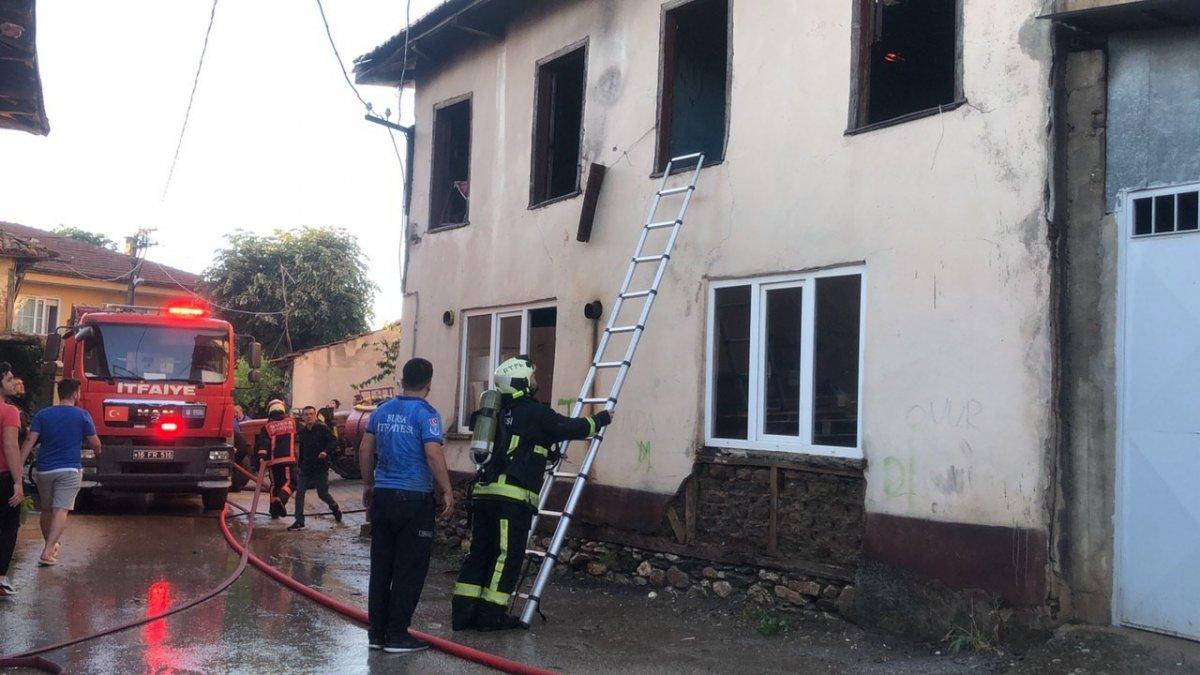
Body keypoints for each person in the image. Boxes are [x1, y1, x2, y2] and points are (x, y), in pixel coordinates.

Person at [451, 355, 613, 632]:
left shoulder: (494, 412)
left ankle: (464, 615)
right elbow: (570, 428)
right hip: (512, 499)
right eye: (532, 377)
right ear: (522, 382)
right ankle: (491, 616)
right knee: (507, 555)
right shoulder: (534, 412)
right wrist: (601, 419)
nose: (536, 382)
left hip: (484, 493)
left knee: (480, 552)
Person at [359, 358, 453, 654]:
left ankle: (377, 633)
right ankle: (397, 635)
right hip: (414, 499)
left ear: (403, 379)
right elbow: (433, 453)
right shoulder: (427, 414)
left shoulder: (382, 410)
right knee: (409, 568)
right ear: (429, 382)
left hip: (384, 497)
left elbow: (365, 449)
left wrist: (367, 485)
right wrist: (447, 490)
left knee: (382, 566)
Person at [20, 379, 101, 567]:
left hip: (45, 470)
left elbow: (30, 441)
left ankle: (50, 544)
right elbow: (95, 442)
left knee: (46, 510)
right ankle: (48, 551)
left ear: (59, 393)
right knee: (61, 509)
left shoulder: (43, 414)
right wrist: (98, 453)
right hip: (69, 469)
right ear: (75, 394)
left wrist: (19, 465)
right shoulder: (83, 415)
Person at [288, 405, 342, 531]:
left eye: (311, 414)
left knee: (322, 493)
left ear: (315, 415)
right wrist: (299, 465)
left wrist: (325, 452)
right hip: (306, 467)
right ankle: (299, 520)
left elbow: (334, 441)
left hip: (320, 467)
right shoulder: (302, 432)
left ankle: (334, 506)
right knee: (299, 493)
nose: (308, 416)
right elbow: (301, 449)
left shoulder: (322, 429)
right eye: (306, 414)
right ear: (303, 417)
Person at [0, 364, 25, 595]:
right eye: (8, 379)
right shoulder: (9, 411)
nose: (12, 383)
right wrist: (18, 481)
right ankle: (0, 578)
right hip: (2, 478)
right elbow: (10, 446)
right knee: (7, 527)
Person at [254, 399, 296, 519]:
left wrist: (261, 458)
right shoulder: (292, 422)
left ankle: (274, 511)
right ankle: (280, 500)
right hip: (289, 459)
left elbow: (263, 444)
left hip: (272, 462)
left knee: (275, 485)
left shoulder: (267, 427)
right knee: (291, 482)